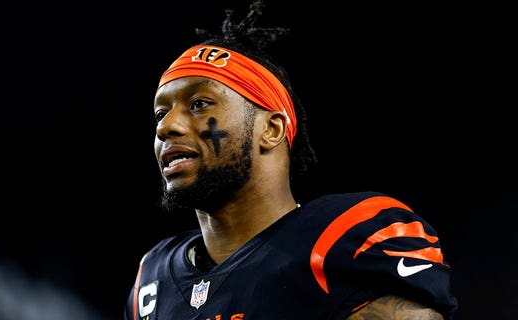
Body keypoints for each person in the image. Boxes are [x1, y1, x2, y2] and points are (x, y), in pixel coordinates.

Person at [123, 1, 458, 319]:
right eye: (161, 113)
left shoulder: (346, 240)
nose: (166, 126)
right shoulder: (151, 279)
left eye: (199, 104)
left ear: (270, 129)